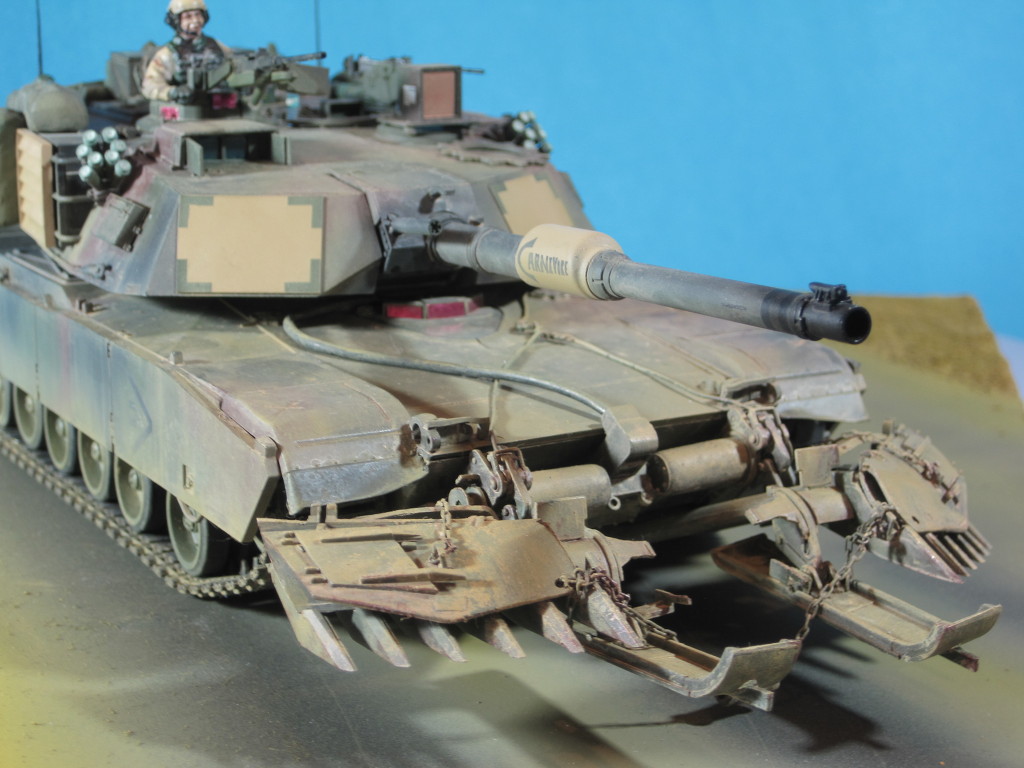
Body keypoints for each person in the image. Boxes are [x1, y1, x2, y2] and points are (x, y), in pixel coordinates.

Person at [141, 0, 229, 102]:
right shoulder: (167, 54)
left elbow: (233, 64)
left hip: (216, 103)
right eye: (188, 17)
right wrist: (173, 92)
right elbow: (150, 85)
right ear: (176, 20)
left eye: (198, 15)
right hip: (185, 105)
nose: (195, 20)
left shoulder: (216, 46)